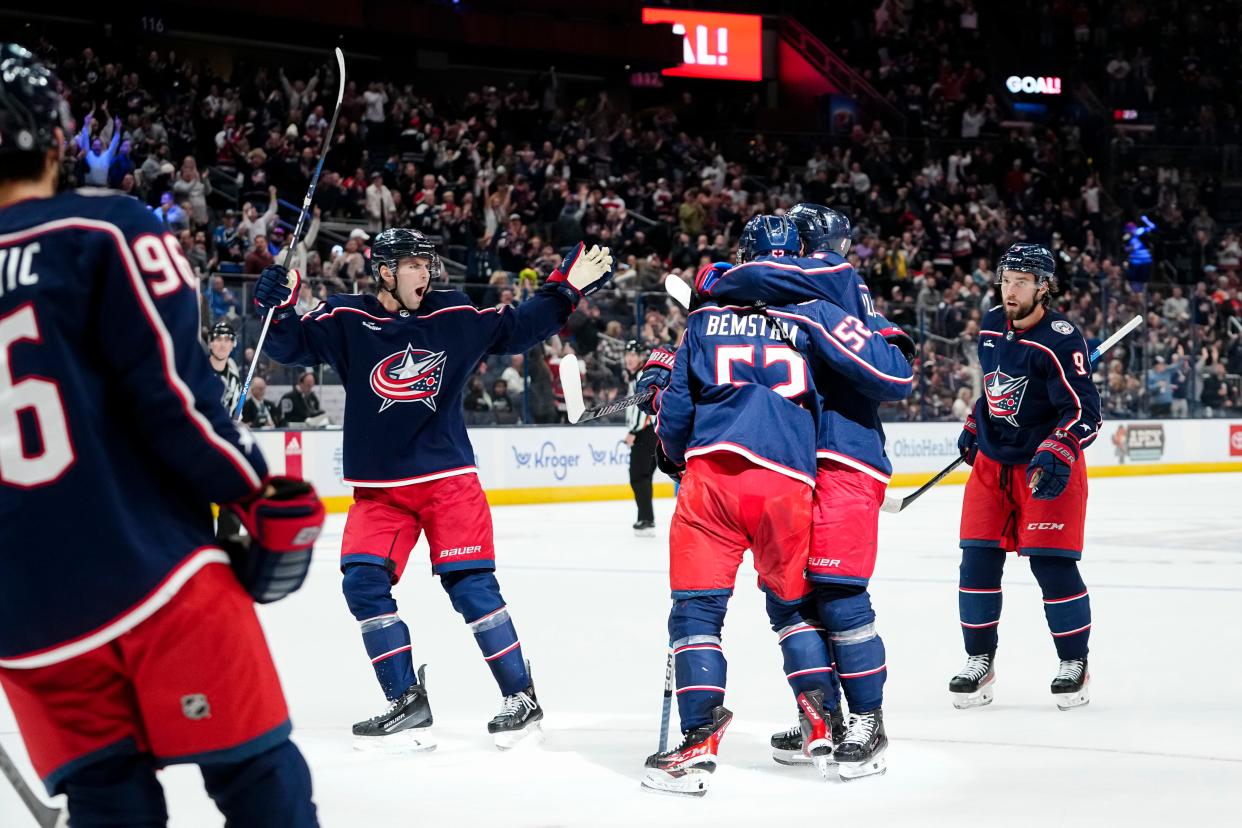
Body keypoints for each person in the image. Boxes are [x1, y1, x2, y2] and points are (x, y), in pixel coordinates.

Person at [0, 45, 325, 826]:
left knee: (107, 803)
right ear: (55, 139)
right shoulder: (105, 229)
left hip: (26, 623)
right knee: (258, 781)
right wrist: (256, 492)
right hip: (149, 574)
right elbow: (174, 402)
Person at [253, 228, 613, 750]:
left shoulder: (454, 316)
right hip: (379, 491)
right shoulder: (345, 318)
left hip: (447, 482)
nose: (426, 273)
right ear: (383, 272)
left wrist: (564, 289)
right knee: (362, 584)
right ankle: (405, 701)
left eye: (428, 264)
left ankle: (521, 695)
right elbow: (289, 346)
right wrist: (278, 307)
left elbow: (517, 327)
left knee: (471, 589)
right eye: (414, 265)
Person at [640, 215, 912, 795]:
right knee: (797, 604)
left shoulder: (828, 294)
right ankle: (822, 718)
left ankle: (859, 722)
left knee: (819, 598)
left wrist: (672, 383)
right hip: (797, 472)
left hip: (820, 465)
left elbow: (897, 373)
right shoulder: (803, 313)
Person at [951, 243, 1102, 711]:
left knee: (1051, 565)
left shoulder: (1061, 338)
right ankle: (980, 661)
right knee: (976, 564)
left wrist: (1059, 445)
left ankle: (1073, 662)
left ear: (1044, 286)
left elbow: (1085, 412)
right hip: (995, 464)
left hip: (1044, 467)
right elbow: (995, 388)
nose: (1009, 289)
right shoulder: (992, 324)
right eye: (1006, 279)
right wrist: (978, 418)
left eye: (1021, 281)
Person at [623, 341, 659, 536]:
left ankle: (646, 518)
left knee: (638, 477)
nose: (630, 358)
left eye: (634, 355)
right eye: (627, 355)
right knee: (643, 477)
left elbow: (641, 408)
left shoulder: (640, 377)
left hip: (645, 433)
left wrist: (634, 431)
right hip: (651, 433)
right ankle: (647, 517)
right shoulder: (636, 376)